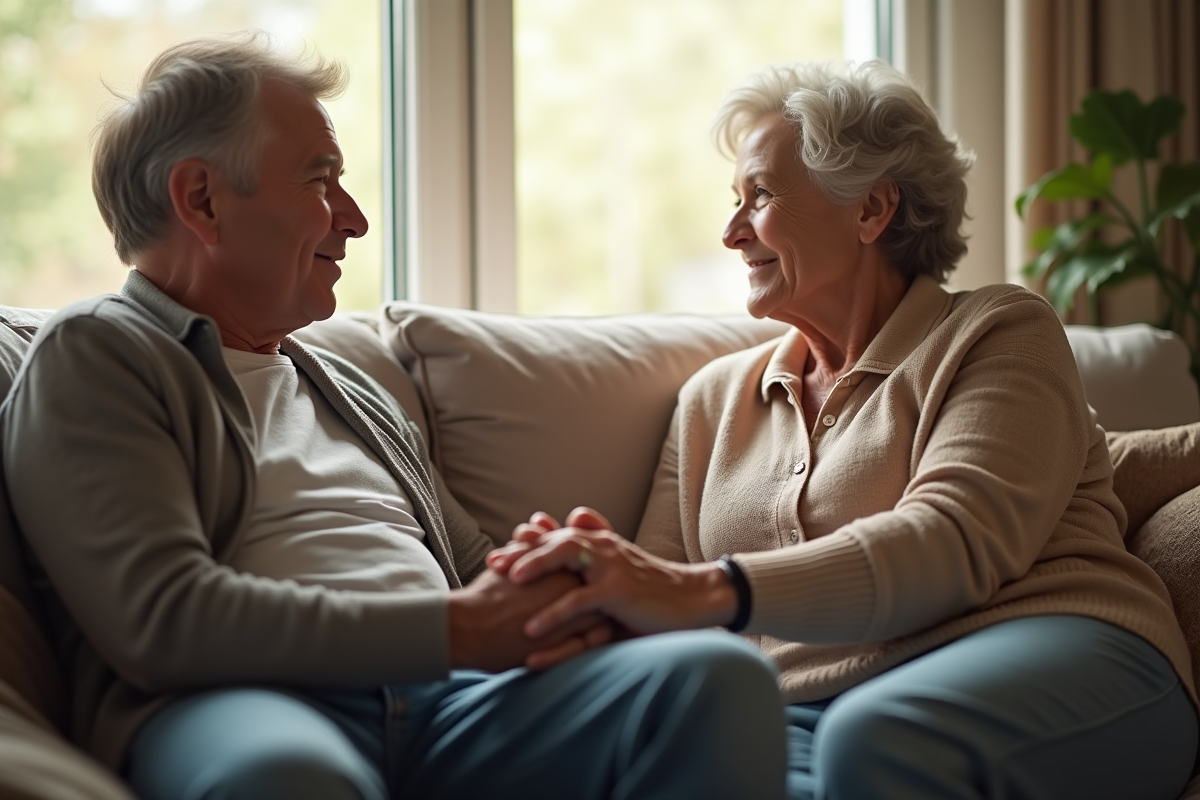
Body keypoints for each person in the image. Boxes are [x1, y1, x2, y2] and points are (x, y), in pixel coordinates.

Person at [0, 31, 788, 800]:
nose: (353, 218)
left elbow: (473, 563)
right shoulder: (98, 352)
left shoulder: (348, 386)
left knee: (715, 680)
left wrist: (557, 585)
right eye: (321, 181)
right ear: (201, 200)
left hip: (450, 696)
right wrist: (458, 630)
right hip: (245, 701)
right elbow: (164, 620)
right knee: (285, 778)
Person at [489, 61, 1200, 799]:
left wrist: (711, 589)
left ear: (872, 210)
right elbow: (661, 601)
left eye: (759, 196)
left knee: (881, 738)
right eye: (734, 201)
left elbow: (953, 540)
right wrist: (567, 584)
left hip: (1059, 653)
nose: (732, 233)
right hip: (803, 708)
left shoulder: (998, 331)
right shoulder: (711, 402)